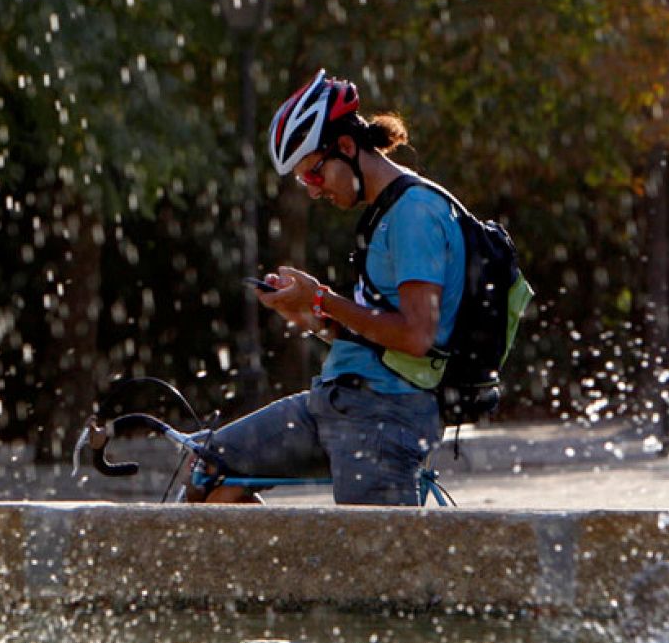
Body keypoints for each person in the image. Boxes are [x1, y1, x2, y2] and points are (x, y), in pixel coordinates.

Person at [188, 69, 466, 506]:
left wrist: (321, 297)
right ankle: (272, 577)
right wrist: (312, 317)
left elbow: (416, 336)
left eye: (314, 174)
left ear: (347, 148)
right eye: (304, 182)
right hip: (335, 401)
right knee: (211, 475)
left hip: (385, 415)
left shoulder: (416, 213)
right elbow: (379, 334)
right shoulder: (385, 214)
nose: (313, 191)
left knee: (366, 565)